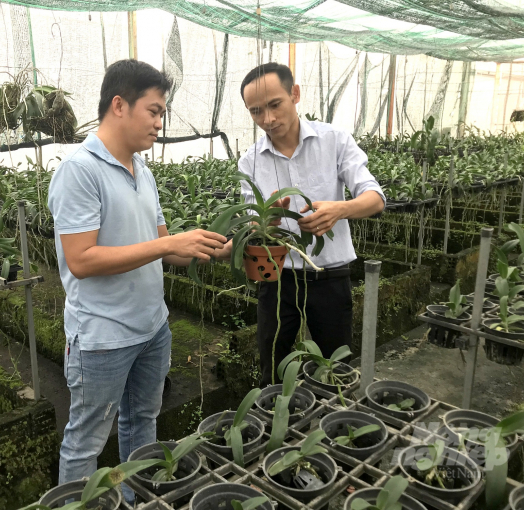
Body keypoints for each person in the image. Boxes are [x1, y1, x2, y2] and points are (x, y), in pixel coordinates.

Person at [48, 59, 231, 500]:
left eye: (161, 112)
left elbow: (162, 244)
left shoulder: (141, 170)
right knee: (87, 440)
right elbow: (82, 260)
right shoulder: (80, 170)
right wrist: (168, 246)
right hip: (103, 338)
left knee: (141, 423)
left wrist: (208, 247)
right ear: (119, 106)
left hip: (153, 328)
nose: (159, 122)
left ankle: (137, 499)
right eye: (153, 110)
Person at [237, 62, 385, 387]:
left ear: (295, 94)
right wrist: (269, 218)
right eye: (256, 111)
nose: (268, 119)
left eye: (275, 105)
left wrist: (340, 209)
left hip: (329, 277)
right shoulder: (250, 161)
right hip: (276, 278)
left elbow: (375, 198)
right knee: (272, 370)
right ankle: (278, 429)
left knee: (335, 370)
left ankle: (333, 429)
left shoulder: (334, 140)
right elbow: (251, 224)